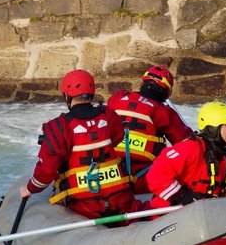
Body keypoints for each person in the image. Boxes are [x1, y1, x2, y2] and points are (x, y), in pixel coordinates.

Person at [20, 69, 142, 220]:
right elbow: (117, 138)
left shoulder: (58, 126)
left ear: (66, 96)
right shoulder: (108, 114)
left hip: (83, 208)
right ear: (92, 92)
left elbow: (46, 171)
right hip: (122, 202)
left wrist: (30, 188)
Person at [145, 101, 226, 210]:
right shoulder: (190, 148)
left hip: (205, 215)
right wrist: (183, 196)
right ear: (213, 128)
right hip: (169, 215)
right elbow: (156, 176)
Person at [107, 65, 193, 194]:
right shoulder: (163, 112)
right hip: (144, 179)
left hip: (111, 174)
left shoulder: (117, 97)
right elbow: (186, 144)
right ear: (166, 92)